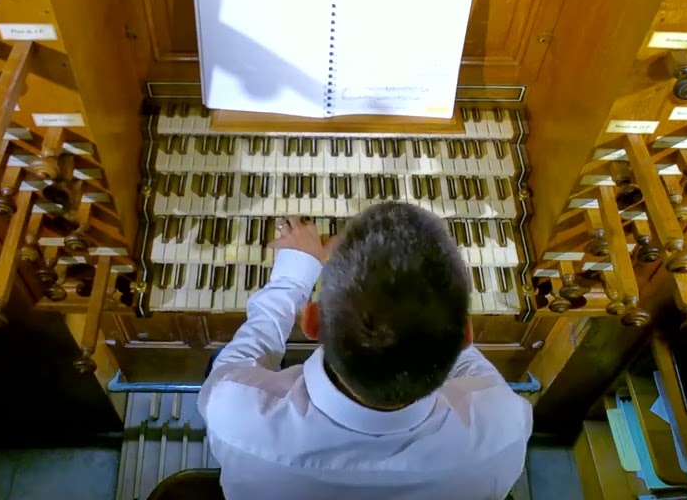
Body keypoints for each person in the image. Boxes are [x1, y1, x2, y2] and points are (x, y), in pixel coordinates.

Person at [198, 202, 532, 499]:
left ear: (312, 322)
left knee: (222, 363)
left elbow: (239, 359)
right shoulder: (503, 423)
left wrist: (295, 274)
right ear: (466, 336)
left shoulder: (234, 411)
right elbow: (463, 358)